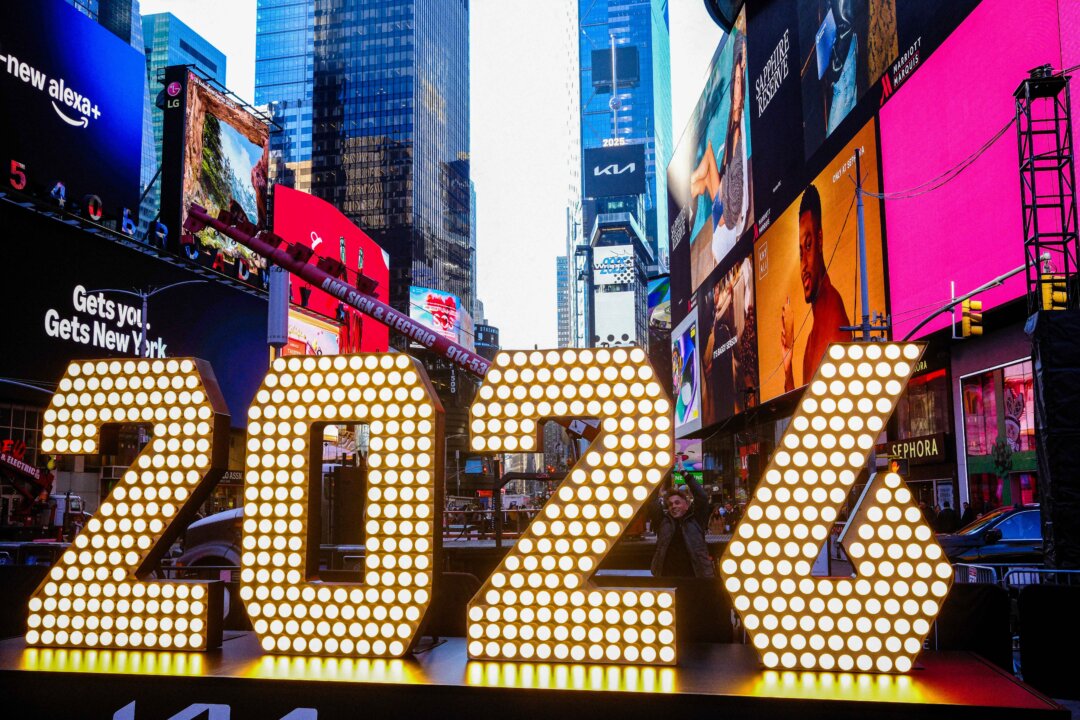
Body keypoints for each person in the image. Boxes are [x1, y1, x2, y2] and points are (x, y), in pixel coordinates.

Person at [781, 183, 851, 391]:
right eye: (800, 252)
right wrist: (787, 362)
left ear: (820, 240)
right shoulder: (813, 333)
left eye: (808, 246)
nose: (803, 265)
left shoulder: (833, 318)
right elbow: (803, 415)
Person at [689, 33, 749, 265]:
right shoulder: (736, 131)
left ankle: (693, 184)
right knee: (733, 117)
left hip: (722, 215)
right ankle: (693, 184)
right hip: (725, 214)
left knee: (708, 164)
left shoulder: (735, 130)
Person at [651, 473, 715, 578]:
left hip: (695, 577)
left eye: (677, 502)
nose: (673, 506)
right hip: (667, 577)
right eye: (670, 504)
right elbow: (652, 502)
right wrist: (660, 480)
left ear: (686, 504)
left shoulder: (696, 520)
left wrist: (686, 475)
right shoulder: (663, 522)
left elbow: (702, 497)